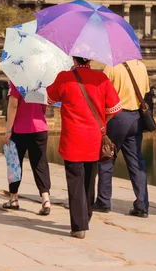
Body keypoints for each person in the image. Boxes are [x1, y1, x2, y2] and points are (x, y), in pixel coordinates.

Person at [47, 57, 121, 239]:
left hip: (72, 137)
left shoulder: (64, 77)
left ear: (73, 57)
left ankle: (79, 225)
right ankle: (86, 216)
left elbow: (50, 98)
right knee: (89, 179)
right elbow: (114, 108)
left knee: (75, 181)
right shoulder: (101, 79)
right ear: (91, 59)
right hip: (94, 138)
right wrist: (101, 124)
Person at [94, 60, 151, 218]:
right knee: (136, 162)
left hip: (116, 117)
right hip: (136, 118)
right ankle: (142, 205)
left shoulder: (112, 67)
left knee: (107, 157)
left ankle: (103, 201)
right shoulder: (141, 66)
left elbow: (101, 91)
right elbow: (145, 90)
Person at [3, 81, 52, 215]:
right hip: (40, 128)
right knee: (40, 163)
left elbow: (13, 106)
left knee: (15, 164)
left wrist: (8, 130)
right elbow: (44, 106)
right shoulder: (40, 82)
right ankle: (45, 199)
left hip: (20, 129)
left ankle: (13, 198)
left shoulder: (17, 82)